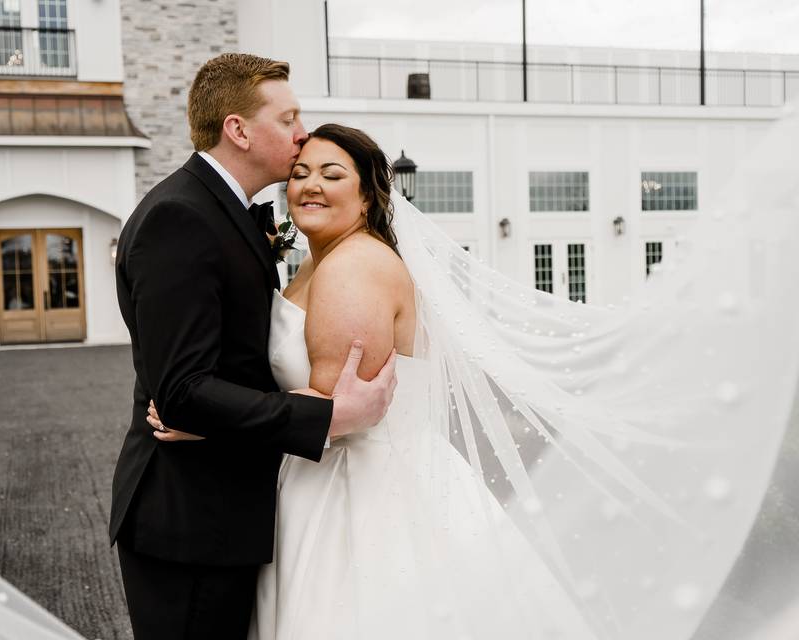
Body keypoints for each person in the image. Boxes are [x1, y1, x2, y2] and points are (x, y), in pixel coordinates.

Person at [150, 121, 799, 639]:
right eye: (300, 173)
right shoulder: (326, 262)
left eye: (331, 173)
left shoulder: (353, 270)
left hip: (354, 495)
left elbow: (334, 412)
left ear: (371, 192)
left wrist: (208, 421)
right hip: (331, 478)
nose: (310, 185)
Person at [110, 55, 397, 640]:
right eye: (288, 118)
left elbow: (216, 375)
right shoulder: (180, 217)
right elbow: (182, 391)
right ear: (238, 129)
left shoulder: (222, 213)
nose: (300, 134)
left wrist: (212, 421)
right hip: (190, 521)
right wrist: (331, 415)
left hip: (228, 511)